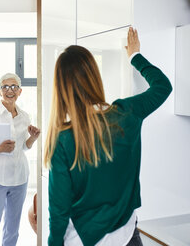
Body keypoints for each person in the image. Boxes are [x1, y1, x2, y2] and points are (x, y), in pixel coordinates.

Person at [44, 27, 172, 246]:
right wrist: (135, 56)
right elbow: (163, 86)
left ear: (61, 88)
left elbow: (59, 211)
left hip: (84, 240)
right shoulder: (127, 112)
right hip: (127, 235)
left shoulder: (63, 139)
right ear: (94, 76)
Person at [0, 73, 40, 246]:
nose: (9, 90)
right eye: (5, 87)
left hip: (19, 179)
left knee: (12, 229)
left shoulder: (25, 116)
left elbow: (23, 147)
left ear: (20, 91)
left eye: (14, 87)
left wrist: (32, 138)